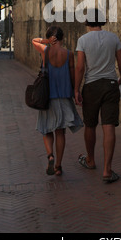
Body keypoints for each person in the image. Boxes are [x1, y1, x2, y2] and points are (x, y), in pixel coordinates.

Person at [75, 9, 121, 184]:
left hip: (91, 86)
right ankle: (107, 169)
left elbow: (80, 67)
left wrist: (76, 89)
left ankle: (90, 159)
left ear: (86, 22)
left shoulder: (83, 40)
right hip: (111, 85)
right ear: (102, 21)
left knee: (90, 125)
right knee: (109, 126)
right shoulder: (113, 38)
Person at [32, 26, 83, 176]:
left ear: (50, 38)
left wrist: (46, 41)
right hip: (64, 97)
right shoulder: (69, 54)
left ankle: (50, 155)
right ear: (62, 38)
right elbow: (73, 75)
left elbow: (33, 40)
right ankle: (58, 166)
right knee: (60, 132)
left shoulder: (45, 51)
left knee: (47, 130)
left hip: (48, 98)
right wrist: (76, 91)